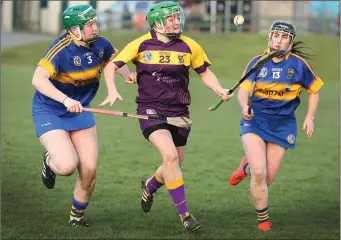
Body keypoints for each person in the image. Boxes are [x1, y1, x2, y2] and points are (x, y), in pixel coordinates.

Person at [102, 1, 233, 232]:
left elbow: (205, 72)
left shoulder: (189, 45)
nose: (176, 22)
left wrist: (220, 89)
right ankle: (185, 215)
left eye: (177, 17)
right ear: (157, 23)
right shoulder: (141, 44)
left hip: (180, 112)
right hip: (150, 110)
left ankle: (150, 186)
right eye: (171, 18)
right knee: (170, 157)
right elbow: (112, 66)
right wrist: (113, 89)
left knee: (174, 163)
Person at [31, 4, 135, 227]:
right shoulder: (60, 49)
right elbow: (38, 80)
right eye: (89, 25)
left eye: (95, 22)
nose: (95, 28)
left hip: (82, 109)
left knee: (89, 169)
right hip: (51, 109)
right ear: (75, 30)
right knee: (67, 166)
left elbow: (112, 59)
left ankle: (75, 219)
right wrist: (66, 100)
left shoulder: (101, 44)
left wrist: (127, 75)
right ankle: (49, 162)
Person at [228, 21, 324, 231]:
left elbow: (314, 90)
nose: (279, 40)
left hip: (283, 124)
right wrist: (245, 106)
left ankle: (245, 167)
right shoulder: (257, 62)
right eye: (276, 35)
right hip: (255, 119)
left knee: (267, 178)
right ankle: (264, 221)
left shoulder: (299, 65)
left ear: (291, 41)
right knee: (260, 173)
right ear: (269, 37)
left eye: (284, 37)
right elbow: (243, 91)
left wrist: (310, 117)